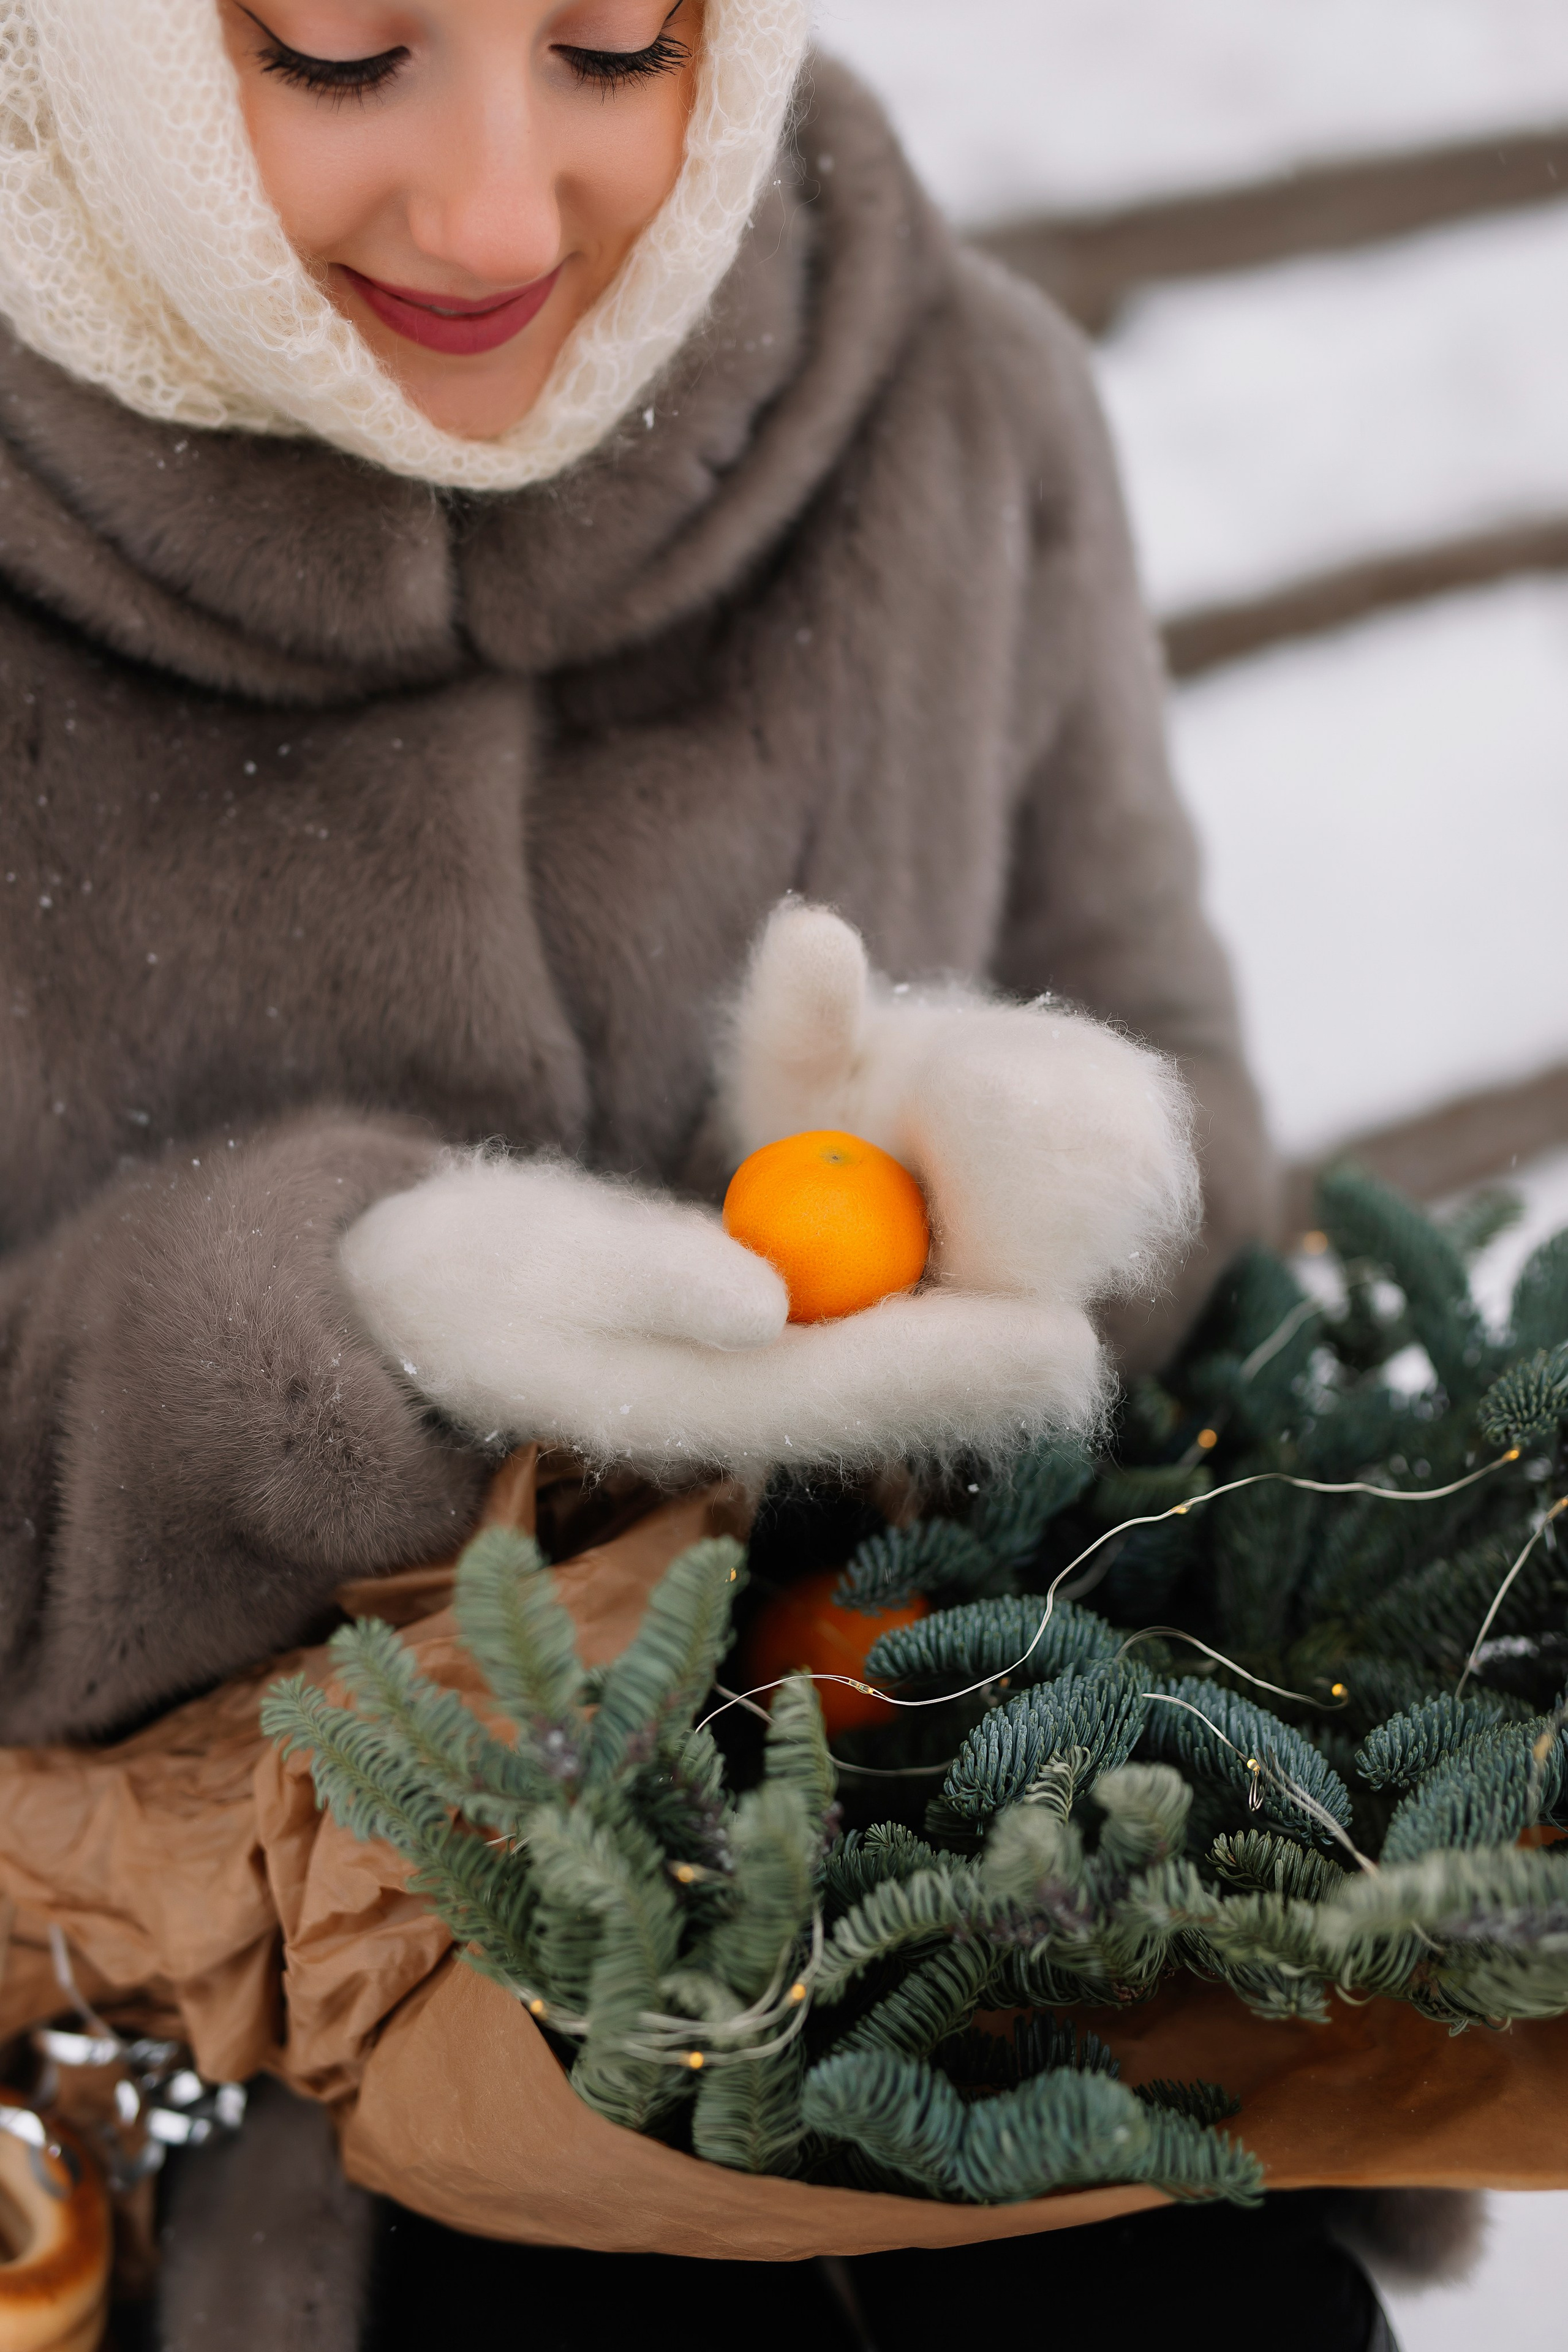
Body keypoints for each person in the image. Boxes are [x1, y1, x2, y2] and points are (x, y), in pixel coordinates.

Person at [0, 1, 1294, 2342]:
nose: (500, 211)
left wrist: (1054, 1185)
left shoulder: (954, 415)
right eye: (341, 47)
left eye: (618, 39)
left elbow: (1187, 1106)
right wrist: (321, 1341)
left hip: (959, 1978)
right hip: (236, 2171)